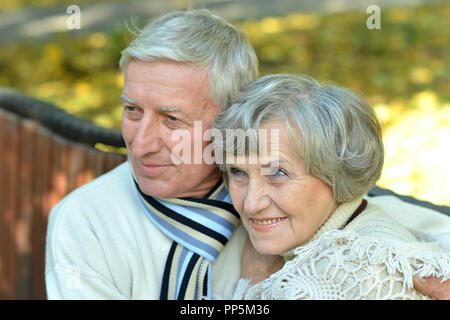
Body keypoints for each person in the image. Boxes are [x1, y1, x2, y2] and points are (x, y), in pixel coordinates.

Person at [45, 9, 450, 300]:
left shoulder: (267, 176)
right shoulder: (87, 222)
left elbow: (383, 220)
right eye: (132, 110)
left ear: (232, 119)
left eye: (172, 118)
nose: (142, 142)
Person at [211, 73, 450, 299]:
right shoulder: (353, 226)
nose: (252, 204)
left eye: (278, 173)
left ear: (335, 172)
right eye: (238, 172)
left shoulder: (341, 276)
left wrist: (254, 280)